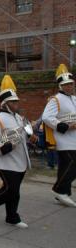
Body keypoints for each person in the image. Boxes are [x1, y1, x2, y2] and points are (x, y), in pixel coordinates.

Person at [0, 75, 37, 228]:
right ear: (5, 103)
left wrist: (31, 137)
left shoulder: (20, 118)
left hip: (20, 160)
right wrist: (3, 148)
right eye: (13, 101)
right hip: (4, 161)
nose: (16, 103)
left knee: (14, 191)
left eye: (17, 101)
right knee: (11, 189)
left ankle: (12, 217)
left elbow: (25, 133)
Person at [42, 64, 76, 207]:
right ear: (61, 86)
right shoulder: (55, 99)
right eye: (66, 85)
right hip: (64, 140)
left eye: (71, 84)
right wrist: (66, 126)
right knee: (72, 166)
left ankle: (64, 194)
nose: (69, 86)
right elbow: (47, 117)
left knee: (65, 167)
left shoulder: (74, 98)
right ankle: (59, 190)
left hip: (74, 139)